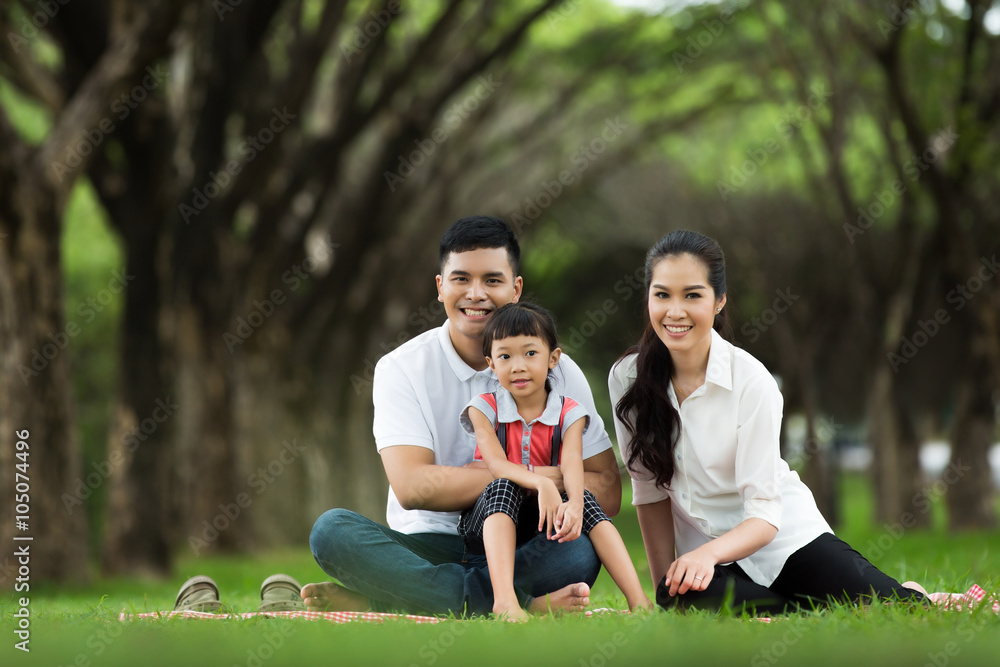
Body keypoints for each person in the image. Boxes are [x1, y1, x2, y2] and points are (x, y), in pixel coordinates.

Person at [302, 215, 622, 617]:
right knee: (332, 532)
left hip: (522, 542)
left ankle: (402, 598)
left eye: (492, 280)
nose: (476, 294)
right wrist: (539, 477)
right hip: (428, 544)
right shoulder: (401, 368)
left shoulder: (557, 369)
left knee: (578, 550)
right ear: (440, 287)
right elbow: (413, 487)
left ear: (516, 289)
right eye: (460, 279)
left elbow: (607, 490)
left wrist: (526, 484)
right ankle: (513, 603)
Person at [608, 229, 929, 615]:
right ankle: (804, 609)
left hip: (785, 543)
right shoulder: (627, 378)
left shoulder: (751, 381)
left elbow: (763, 516)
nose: (675, 311)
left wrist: (707, 555)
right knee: (683, 598)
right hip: (709, 564)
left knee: (891, 607)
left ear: (719, 301)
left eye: (692, 295)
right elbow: (649, 493)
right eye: (662, 295)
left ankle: (902, 594)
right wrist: (665, 589)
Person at [458, 302, 653, 620]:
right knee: (502, 485)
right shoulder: (483, 408)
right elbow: (495, 464)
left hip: (537, 526)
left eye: (530, 354)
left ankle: (639, 601)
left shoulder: (568, 412)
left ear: (553, 358)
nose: (518, 366)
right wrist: (541, 482)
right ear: (491, 364)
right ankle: (505, 601)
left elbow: (572, 462)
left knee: (586, 500)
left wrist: (574, 503)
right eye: (505, 356)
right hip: (486, 524)